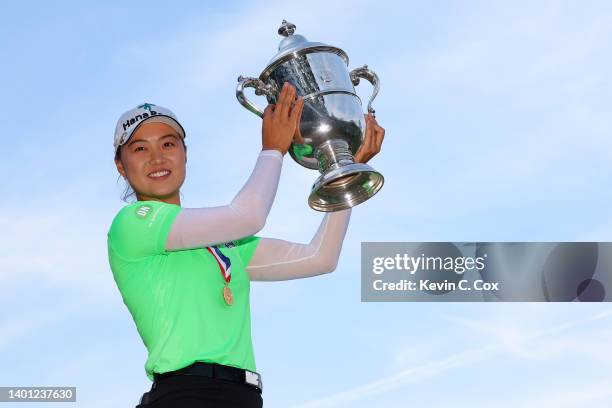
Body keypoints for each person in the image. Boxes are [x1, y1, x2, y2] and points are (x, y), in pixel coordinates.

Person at [106, 83, 385, 408]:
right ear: (121, 166)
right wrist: (273, 150)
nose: (157, 157)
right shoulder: (133, 223)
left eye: (168, 143)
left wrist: (342, 172)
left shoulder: (221, 243)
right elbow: (249, 216)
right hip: (186, 395)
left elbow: (319, 257)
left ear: (184, 153)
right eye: (140, 149)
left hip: (243, 396)